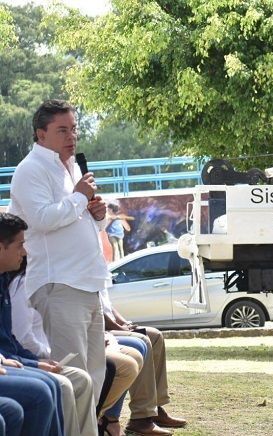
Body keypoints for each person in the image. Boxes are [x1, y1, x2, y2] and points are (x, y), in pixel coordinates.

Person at [9, 99, 108, 400]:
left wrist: (99, 216)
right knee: (74, 382)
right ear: (41, 135)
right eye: (62, 130)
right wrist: (80, 198)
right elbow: (41, 219)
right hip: (60, 284)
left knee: (94, 378)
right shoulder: (31, 170)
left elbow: (81, 222)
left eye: (74, 129)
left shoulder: (72, 167)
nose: (71, 137)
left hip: (87, 283)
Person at [5, 258, 96, 436]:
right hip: (12, 362)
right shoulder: (18, 285)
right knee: (55, 385)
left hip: (18, 359)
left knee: (81, 378)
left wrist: (37, 362)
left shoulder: (5, 285)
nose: (24, 252)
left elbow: (11, 341)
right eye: (20, 245)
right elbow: (22, 340)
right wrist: (37, 362)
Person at [101, 288, 187, 433]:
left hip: (110, 327)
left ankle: (156, 408)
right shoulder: (83, 270)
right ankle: (141, 417)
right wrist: (120, 328)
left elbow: (108, 306)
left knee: (155, 335)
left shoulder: (98, 270)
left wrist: (125, 324)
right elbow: (96, 311)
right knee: (142, 341)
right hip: (102, 330)